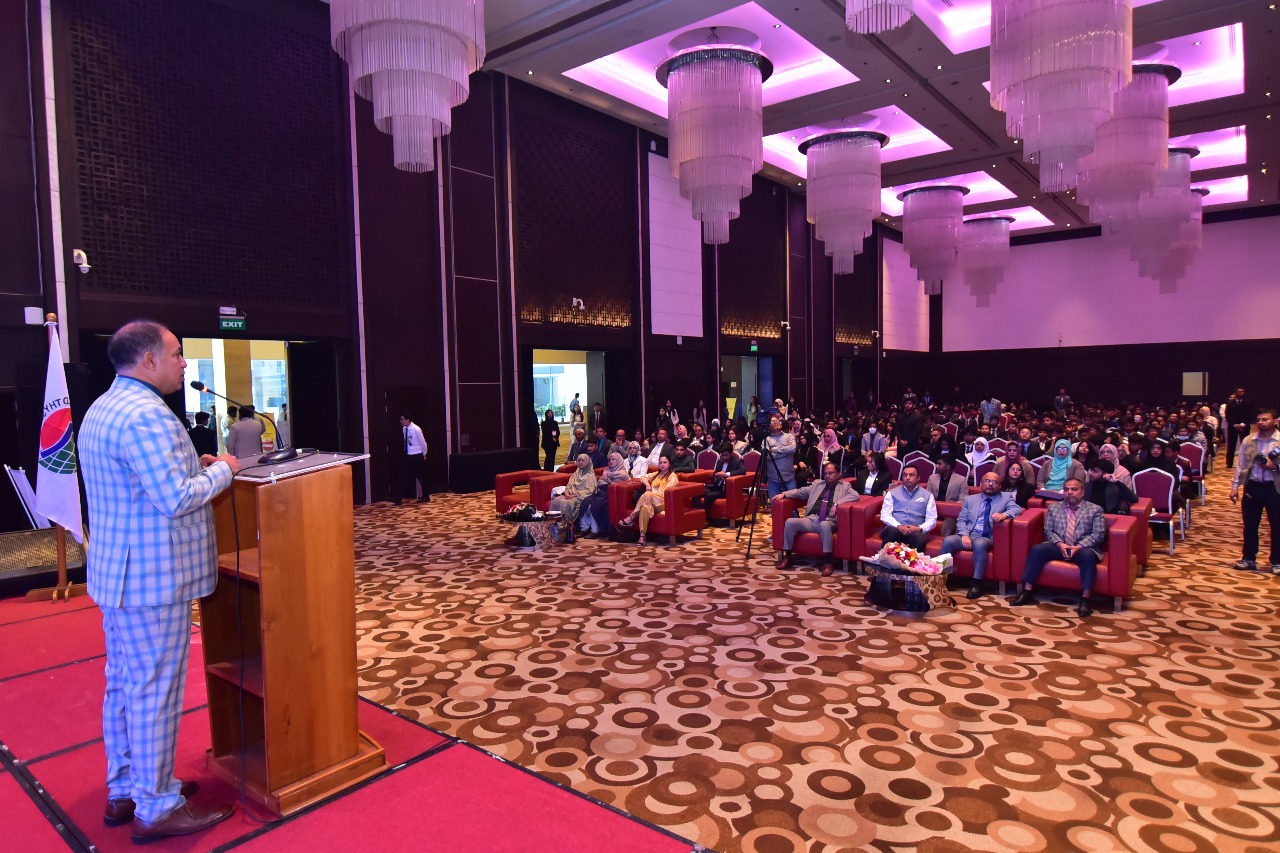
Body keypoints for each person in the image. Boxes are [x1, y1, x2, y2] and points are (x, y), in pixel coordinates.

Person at [79, 321, 239, 840]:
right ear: (148, 360)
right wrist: (225, 469)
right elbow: (174, 498)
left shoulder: (104, 407)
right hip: (152, 579)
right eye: (176, 354)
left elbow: (142, 485)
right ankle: (157, 806)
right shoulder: (146, 414)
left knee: (125, 685)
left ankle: (127, 787)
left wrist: (198, 466)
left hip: (119, 574)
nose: (183, 363)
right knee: (155, 691)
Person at [1010, 478, 1107, 618]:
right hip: (1059, 545)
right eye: (1066, 489)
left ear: (1082, 492)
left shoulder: (1095, 509)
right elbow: (1048, 531)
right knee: (1037, 549)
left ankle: (1085, 599)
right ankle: (1027, 592)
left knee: (1088, 556)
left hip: (1082, 548)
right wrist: (1060, 544)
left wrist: (1078, 546)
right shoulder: (1054, 508)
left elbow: (1098, 534)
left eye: (1074, 489)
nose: (1069, 492)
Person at [940, 472, 1023, 599]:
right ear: (981, 484)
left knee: (979, 544)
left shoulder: (1006, 497)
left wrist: (1004, 515)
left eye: (994, 482)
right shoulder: (970, 499)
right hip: (969, 534)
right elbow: (961, 519)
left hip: (987, 537)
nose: (990, 484)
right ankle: (941, 578)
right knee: (948, 541)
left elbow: (1017, 509)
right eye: (987, 481)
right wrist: (964, 535)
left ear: (999, 486)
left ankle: (977, 583)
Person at [773, 462, 858, 577]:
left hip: (829, 520)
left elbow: (855, 496)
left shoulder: (845, 486)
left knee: (824, 525)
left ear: (838, 474)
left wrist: (837, 503)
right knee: (790, 522)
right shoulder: (817, 484)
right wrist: (784, 494)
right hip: (812, 518)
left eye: (831, 473)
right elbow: (801, 491)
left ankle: (828, 562)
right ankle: (788, 557)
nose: (827, 476)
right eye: (825, 473)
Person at [1231, 408, 1280, 573]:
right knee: (1250, 525)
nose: (1261, 423)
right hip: (1253, 486)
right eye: (1259, 420)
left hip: (1275, 488)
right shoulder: (1248, 440)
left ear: (1275, 421)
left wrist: (1275, 467)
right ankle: (1248, 558)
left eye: (1265, 419)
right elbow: (1241, 465)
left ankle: (1277, 561)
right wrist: (1235, 487)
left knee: (1277, 525)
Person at [617, 455, 680, 546]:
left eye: (665, 462)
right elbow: (643, 477)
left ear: (669, 464)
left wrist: (651, 495)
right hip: (650, 500)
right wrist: (647, 485)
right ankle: (642, 536)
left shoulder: (672, 476)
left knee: (647, 494)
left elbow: (666, 494)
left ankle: (632, 516)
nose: (662, 464)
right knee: (644, 507)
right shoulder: (656, 474)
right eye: (660, 463)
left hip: (665, 503)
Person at [879, 462, 937, 550]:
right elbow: (885, 515)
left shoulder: (928, 495)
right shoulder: (892, 493)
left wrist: (919, 528)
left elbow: (932, 519)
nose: (908, 477)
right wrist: (898, 526)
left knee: (920, 538)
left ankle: (910, 559)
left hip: (915, 532)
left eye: (911, 475)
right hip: (895, 529)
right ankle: (884, 557)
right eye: (905, 475)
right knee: (892, 531)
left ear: (918, 478)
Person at [579, 448, 632, 537]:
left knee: (595, 505)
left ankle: (595, 530)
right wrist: (609, 483)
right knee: (586, 502)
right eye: (609, 460)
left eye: (613, 459)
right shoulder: (606, 470)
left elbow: (619, 486)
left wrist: (609, 482)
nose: (611, 462)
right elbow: (600, 483)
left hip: (612, 496)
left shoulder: (623, 474)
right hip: (602, 493)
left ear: (619, 461)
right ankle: (584, 528)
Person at [549, 454, 596, 542]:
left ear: (587, 462)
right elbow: (568, 486)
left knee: (566, 503)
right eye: (579, 460)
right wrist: (567, 492)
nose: (580, 462)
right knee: (556, 500)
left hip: (580, 497)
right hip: (570, 495)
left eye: (583, 460)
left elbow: (590, 491)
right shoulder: (576, 473)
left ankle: (563, 529)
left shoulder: (590, 475)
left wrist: (574, 495)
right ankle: (553, 527)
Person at [395, 413, 430, 503]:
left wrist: (424, 454)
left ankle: (426, 496)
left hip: (417, 456)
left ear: (408, 420)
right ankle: (398, 498)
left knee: (421, 477)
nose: (401, 421)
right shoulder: (404, 429)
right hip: (408, 456)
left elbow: (423, 443)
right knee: (403, 476)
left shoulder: (416, 429)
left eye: (402, 419)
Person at [761, 417, 797, 499]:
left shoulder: (789, 436)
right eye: (773, 421)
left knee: (792, 504)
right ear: (769, 426)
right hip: (773, 479)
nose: (776, 422)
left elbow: (792, 449)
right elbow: (768, 456)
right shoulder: (766, 440)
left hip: (788, 476)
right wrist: (786, 451)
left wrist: (775, 449)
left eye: (777, 420)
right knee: (775, 504)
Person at [702, 443, 745, 508]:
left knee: (709, 495)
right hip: (716, 487)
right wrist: (716, 478)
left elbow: (742, 471)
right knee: (697, 492)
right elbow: (713, 478)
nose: (724, 457)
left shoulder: (737, 461)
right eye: (722, 455)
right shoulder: (720, 462)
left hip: (726, 490)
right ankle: (699, 512)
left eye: (726, 455)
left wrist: (726, 474)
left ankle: (704, 513)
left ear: (731, 453)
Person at [1225, 388, 1250, 467]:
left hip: (1244, 427)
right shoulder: (1230, 403)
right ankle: (1229, 463)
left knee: (1245, 444)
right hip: (1232, 427)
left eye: (1242, 392)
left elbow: (1250, 415)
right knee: (1231, 445)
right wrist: (1235, 425)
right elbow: (1227, 416)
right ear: (1236, 393)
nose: (1241, 393)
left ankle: (1245, 462)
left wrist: (1242, 424)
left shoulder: (1248, 402)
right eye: (1239, 392)